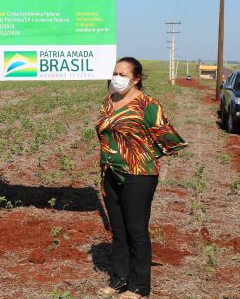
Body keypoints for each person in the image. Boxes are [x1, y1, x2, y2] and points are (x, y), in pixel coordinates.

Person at [95, 57, 186, 299]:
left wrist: (146, 155)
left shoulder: (148, 105)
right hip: (110, 173)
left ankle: (138, 287)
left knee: (136, 230)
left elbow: (168, 137)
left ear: (136, 79)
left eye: (123, 74)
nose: (117, 77)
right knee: (119, 230)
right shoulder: (109, 101)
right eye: (115, 72)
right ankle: (119, 280)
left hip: (139, 176)